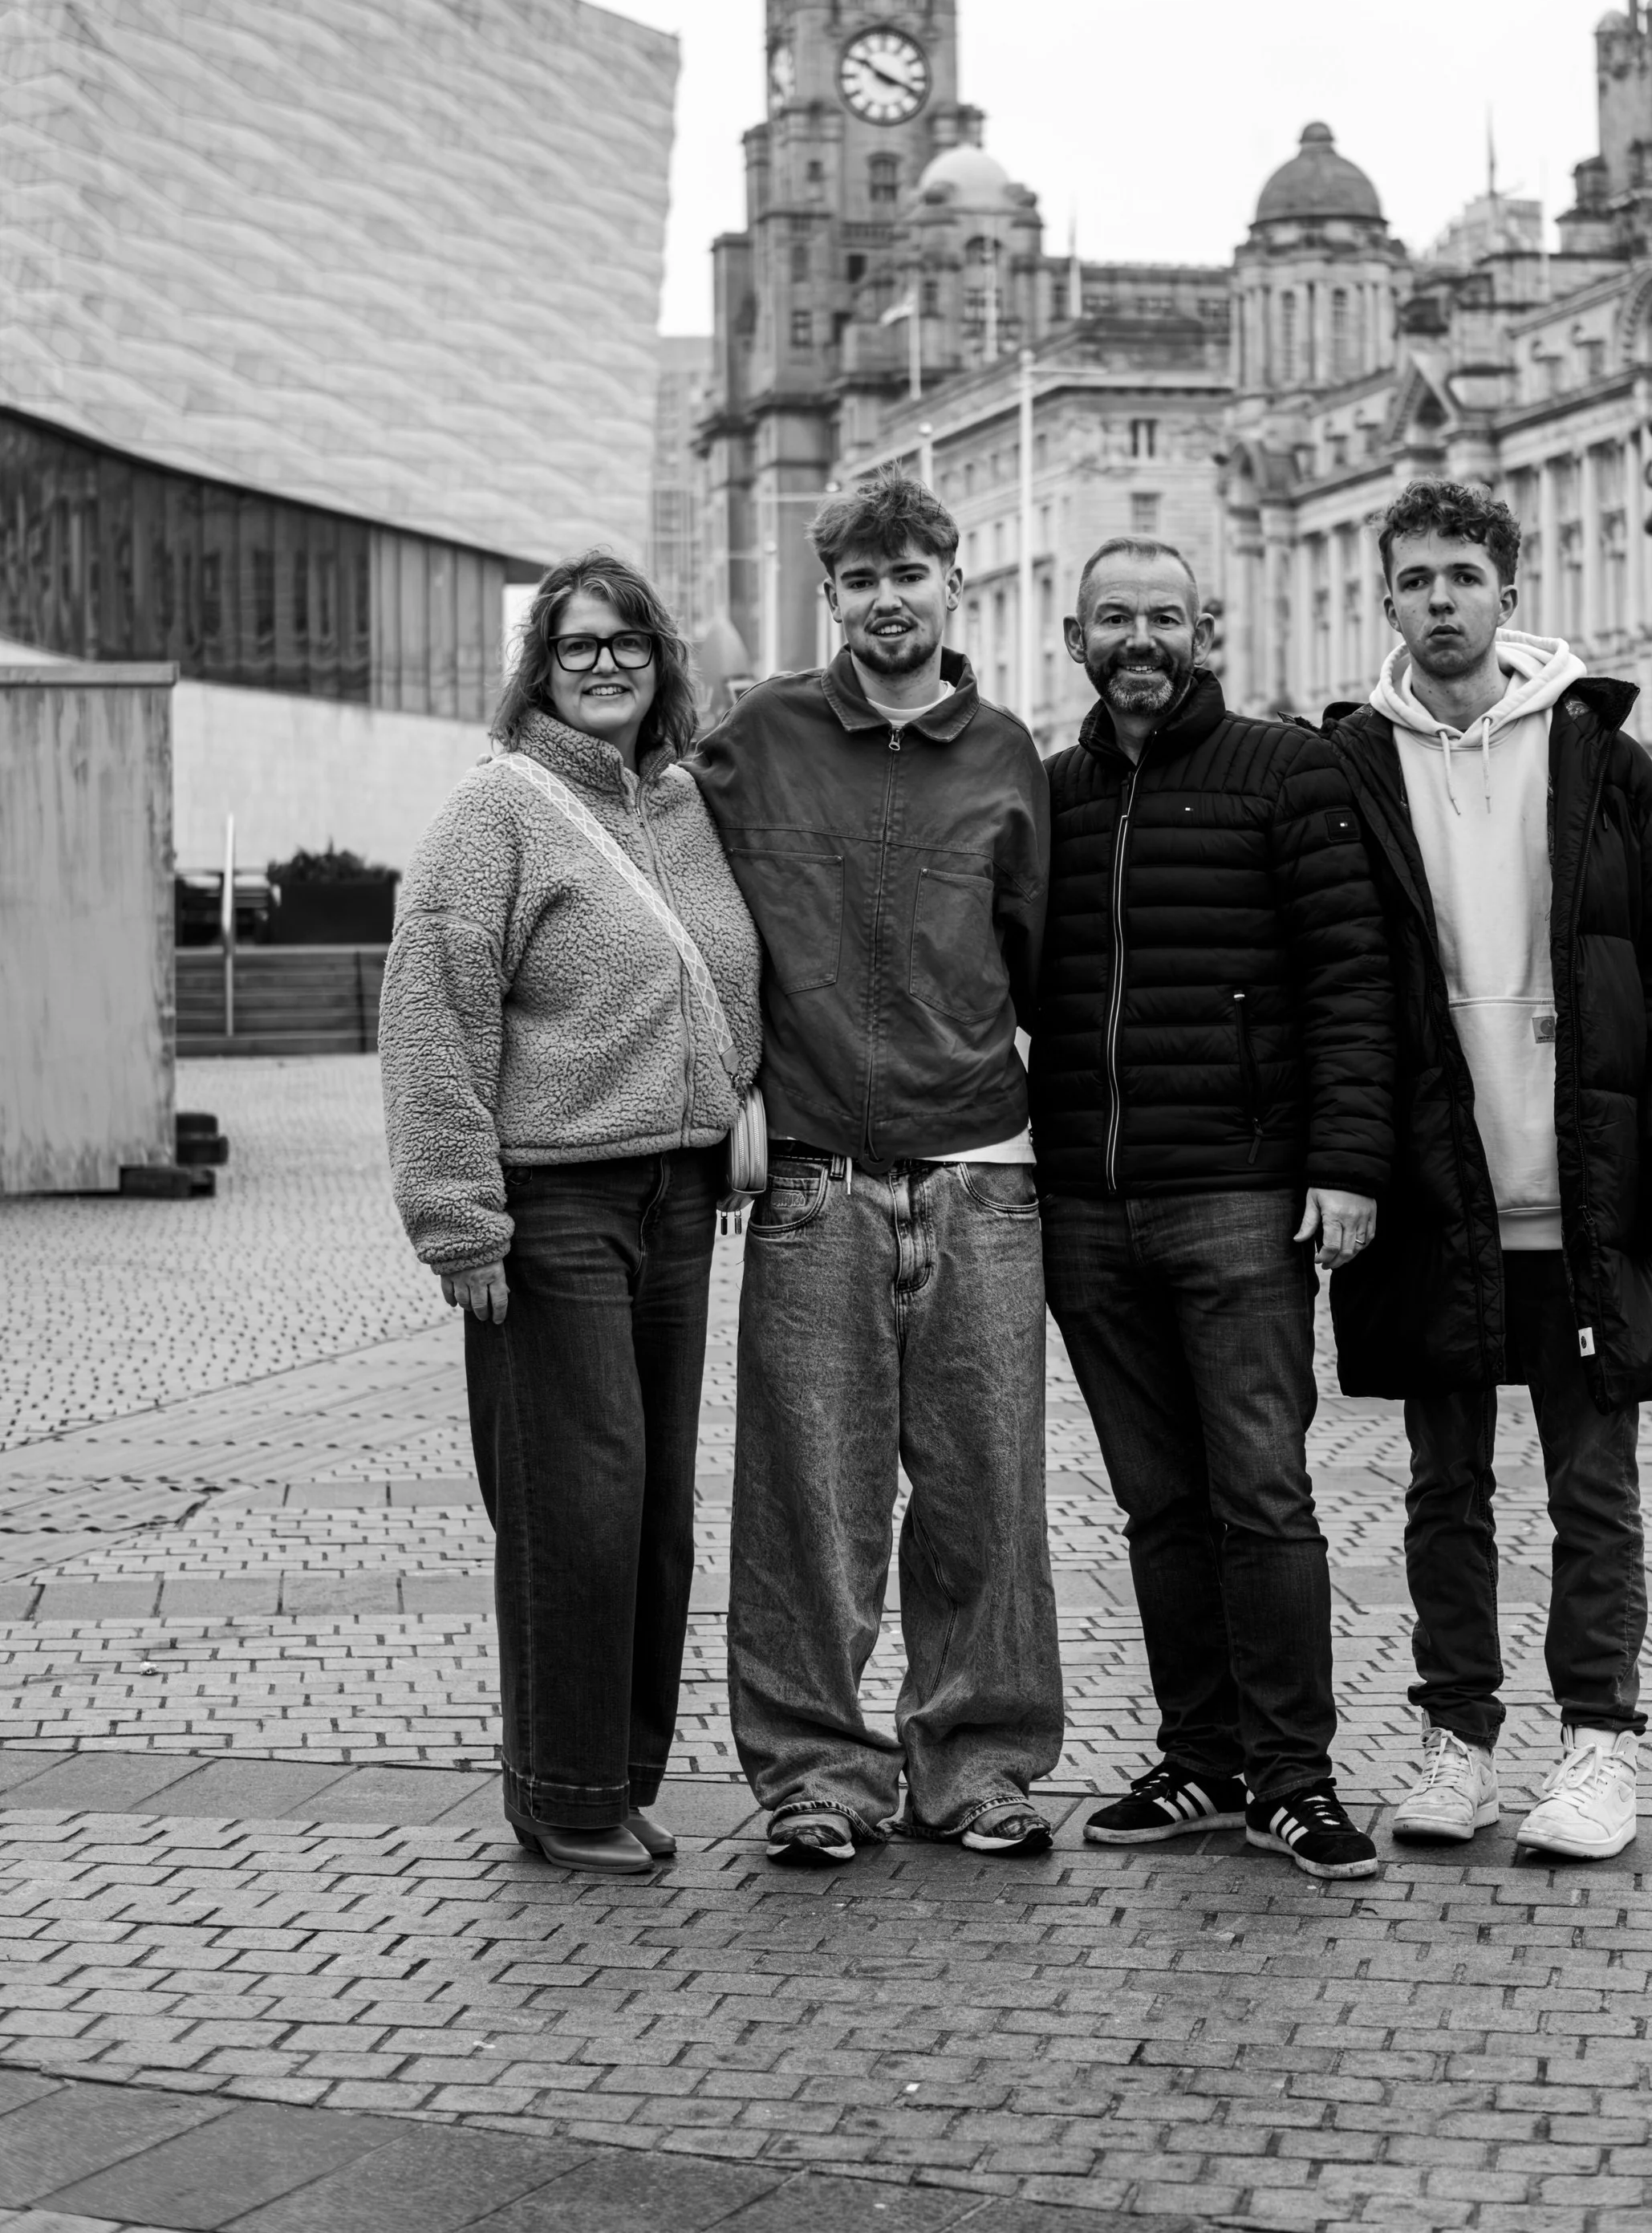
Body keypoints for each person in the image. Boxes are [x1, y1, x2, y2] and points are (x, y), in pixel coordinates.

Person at [1321, 478, 1652, 1862]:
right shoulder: (1349, 767)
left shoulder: (1604, 758)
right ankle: (1457, 1740)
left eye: (1461, 575)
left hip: (1584, 1182)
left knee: (1589, 1484)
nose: (1438, 599)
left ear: (1509, 590)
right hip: (1433, 1185)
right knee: (1444, 1487)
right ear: (1385, 598)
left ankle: (1598, 1747)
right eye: (1414, 577)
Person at [688, 466, 1061, 1868]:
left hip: (980, 1168)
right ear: (831, 594)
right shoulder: (760, 735)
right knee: (809, 1493)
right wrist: (725, 1079)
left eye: (912, 573)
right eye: (861, 579)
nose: (888, 599)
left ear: (952, 584)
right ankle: (815, 1778)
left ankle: (978, 1764)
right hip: (813, 1180)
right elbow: (681, 900)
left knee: (985, 1490)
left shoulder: (1008, 752)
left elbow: (1036, 953)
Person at [379, 551, 761, 1877]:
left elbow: (718, 968)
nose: (605, 664)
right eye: (577, 645)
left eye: (629, 644)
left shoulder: (682, 805)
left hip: (675, 1201)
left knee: (653, 1507)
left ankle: (615, 1776)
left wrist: (743, 1096)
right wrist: (459, 1220)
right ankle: (560, 1790)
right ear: (538, 667)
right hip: (552, 1206)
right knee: (574, 1504)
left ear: (663, 664)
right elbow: (430, 1006)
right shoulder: (498, 813)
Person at [1030, 538, 1394, 1882]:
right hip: (1088, 1203)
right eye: (1114, 616)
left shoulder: (1288, 770)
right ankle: (1203, 1755)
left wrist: (1347, 1165)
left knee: (1263, 1496)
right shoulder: (1050, 794)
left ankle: (1294, 1776)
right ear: (1076, 639)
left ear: (1208, 631)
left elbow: (1355, 980)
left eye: (1165, 617)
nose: (1141, 638)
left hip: (1240, 1200)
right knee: (1158, 1505)